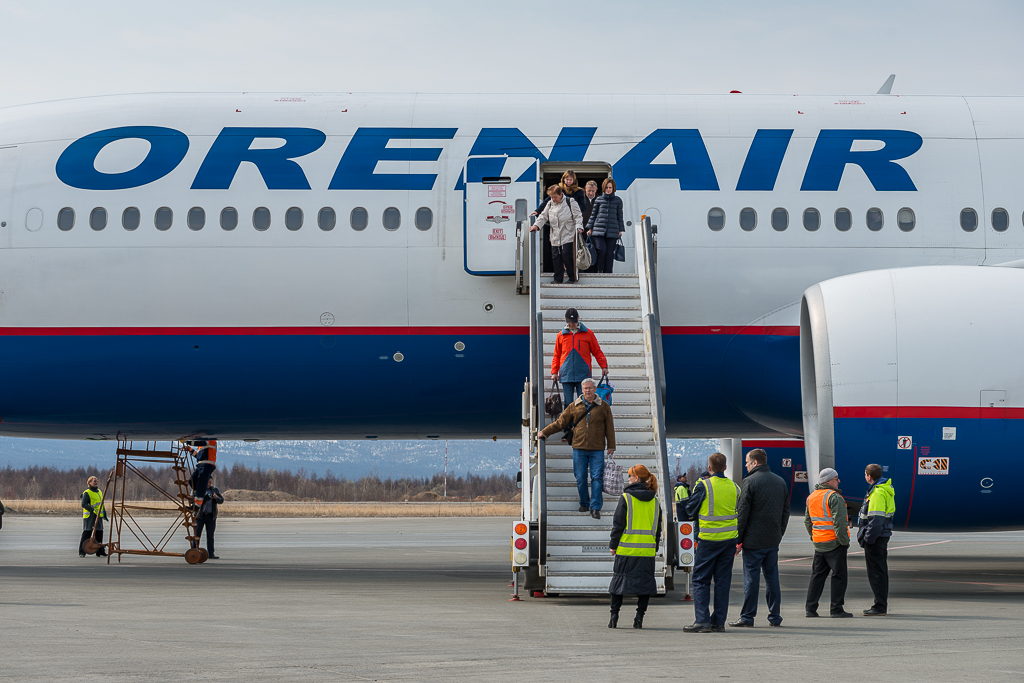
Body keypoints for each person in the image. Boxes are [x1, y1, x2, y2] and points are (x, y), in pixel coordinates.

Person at [538, 377, 615, 519]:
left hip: (597, 448)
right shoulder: (574, 406)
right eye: (585, 388)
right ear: (582, 390)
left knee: (596, 478)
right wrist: (545, 432)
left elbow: (609, 427)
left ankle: (596, 507)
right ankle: (584, 503)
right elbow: (560, 423)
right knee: (580, 478)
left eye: (590, 388)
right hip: (579, 448)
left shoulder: (603, 406)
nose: (588, 391)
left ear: (594, 389)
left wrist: (611, 445)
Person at [730, 448, 790, 628]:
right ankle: (775, 616)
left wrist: (737, 541)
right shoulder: (780, 482)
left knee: (751, 579)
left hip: (753, 541)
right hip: (772, 540)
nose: (746, 466)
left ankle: (748, 617)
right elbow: (785, 512)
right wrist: (779, 533)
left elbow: (742, 515)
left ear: (755, 462)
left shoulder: (749, 482)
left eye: (747, 463)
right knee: (772, 579)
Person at [682, 452, 741, 633]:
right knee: (722, 582)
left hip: (708, 540)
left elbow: (690, 508)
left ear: (709, 468)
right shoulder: (735, 487)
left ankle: (702, 621)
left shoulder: (704, 485)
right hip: (729, 540)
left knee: (700, 580)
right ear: (725, 467)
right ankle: (718, 622)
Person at [608, 464, 662, 629]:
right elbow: (658, 528)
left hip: (626, 550)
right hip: (647, 551)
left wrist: (613, 544)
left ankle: (614, 617)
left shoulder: (626, 498)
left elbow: (618, 524)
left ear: (636, 478)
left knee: (618, 584)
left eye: (630, 476)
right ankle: (639, 617)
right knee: (644, 585)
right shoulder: (655, 500)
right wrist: (655, 547)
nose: (628, 479)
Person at [804, 468, 852, 618]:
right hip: (834, 543)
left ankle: (810, 609)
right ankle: (836, 609)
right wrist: (844, 542)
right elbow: (840, 523)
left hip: (819, 543)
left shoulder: (811, 497)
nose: (839, 481)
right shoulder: (834, 497)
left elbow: (807, 521)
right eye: (836, 479)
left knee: (817, 576)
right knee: (839, 576)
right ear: (829, 481)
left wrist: (814, 536)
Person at [550, 307, 608, 409]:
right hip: (566, 375)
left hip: (583, 374)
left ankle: (583, 424)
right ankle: (570, 425)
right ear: (565, 319)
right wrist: (554, 372)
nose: (572, 325)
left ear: (578, 319)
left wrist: (604, 366)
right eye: (570, 323)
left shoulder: (588, 334)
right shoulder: (561, 335)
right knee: (568, 403)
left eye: (574, 322)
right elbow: (556, 355)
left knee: (585, 402)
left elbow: (597, 351)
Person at [858, 463, 895, 616]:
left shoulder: (878, 493)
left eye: (865, 474)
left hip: (876, 538)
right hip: (881, 536)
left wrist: (868, 539)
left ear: (869, 476)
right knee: (880, 571)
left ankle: (879, 606)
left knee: (876, 573)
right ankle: (881, 604)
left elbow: (876, 520)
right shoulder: (882, 490)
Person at [531, 185, 583, 284]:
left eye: (555, 197)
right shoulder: (550, 204)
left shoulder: (570, 201)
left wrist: (579, 226)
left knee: (566, 255)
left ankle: (572, 277)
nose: (553, 199)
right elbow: (543, 216)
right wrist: (536, 226)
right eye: (551, 197)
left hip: (568, 234)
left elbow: (578, 216)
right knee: (556, 257)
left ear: (561, 194)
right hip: (555, 235)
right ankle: (558, 279)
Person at [585, 178, 625, 273]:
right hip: (598, 230)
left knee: (609, 253)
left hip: (613, 230)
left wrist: (620, 229)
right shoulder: (598, 200)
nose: (608, 189)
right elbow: (593, 215)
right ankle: (599, 270)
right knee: (601, 250)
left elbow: (620, 216)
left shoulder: (618, 200)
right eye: (606, 187)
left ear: (613, 188)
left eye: (610, 187)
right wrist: (590, 228)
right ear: (603, 188)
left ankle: (608, 272)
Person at [194, 476, 225, 559]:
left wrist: (216, 498)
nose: (208, 484)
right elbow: (192, 501)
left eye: (210, 482)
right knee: (197, 535)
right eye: (207, 482)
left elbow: (221, 500)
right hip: (200, 516)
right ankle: (194, 552)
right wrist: (203, 499)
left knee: (210, 536)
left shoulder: (215, 490)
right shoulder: (198, 489)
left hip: (211, 516)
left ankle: (211, 553)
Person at [78, 476, 107, 558]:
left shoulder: (99, 492)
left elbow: (101, 504)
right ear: (89, 483)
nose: (96, 482)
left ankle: (100, 551)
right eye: (94, 481)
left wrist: (104, 514)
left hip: (99, 516)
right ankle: (82, 551)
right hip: (90, 516)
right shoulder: (87, 493)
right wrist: (92, 510)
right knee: (87, 533)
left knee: (99, 533)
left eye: (97, 481)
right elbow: (83, 504)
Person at [188, 439, 218, 509]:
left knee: (201, 484)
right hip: (201, 465)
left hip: (207, 464)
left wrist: (187, 441)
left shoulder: (210, 439)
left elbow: (202, 442)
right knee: (192, 481)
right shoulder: (201, 445)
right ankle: (201, 495)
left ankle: (197, 506)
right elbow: (198, 456)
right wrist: (190, 450)